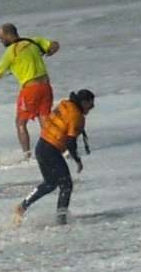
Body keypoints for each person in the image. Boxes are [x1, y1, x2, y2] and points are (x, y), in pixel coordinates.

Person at [0, 23, 62, 158]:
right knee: (44, 119)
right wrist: (50, 51)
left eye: (1, 38)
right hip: (46, 87)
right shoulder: (33, 41)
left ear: (8, 35)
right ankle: (56, 149)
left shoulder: (10, 52)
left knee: (20, 122)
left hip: (30, 89)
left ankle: (27, 155)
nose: (1, 41)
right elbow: (55, 45)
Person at [16, 88, 94, 225]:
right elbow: (71, 142)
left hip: (41, 147)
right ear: (83, 102)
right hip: (51, 150)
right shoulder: (76, 116)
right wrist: (77, 160)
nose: (92, 108)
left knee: (50, 183)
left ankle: (22, 206)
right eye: (90, 104)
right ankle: (61, 218)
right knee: (66, 185)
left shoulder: (65, 104)